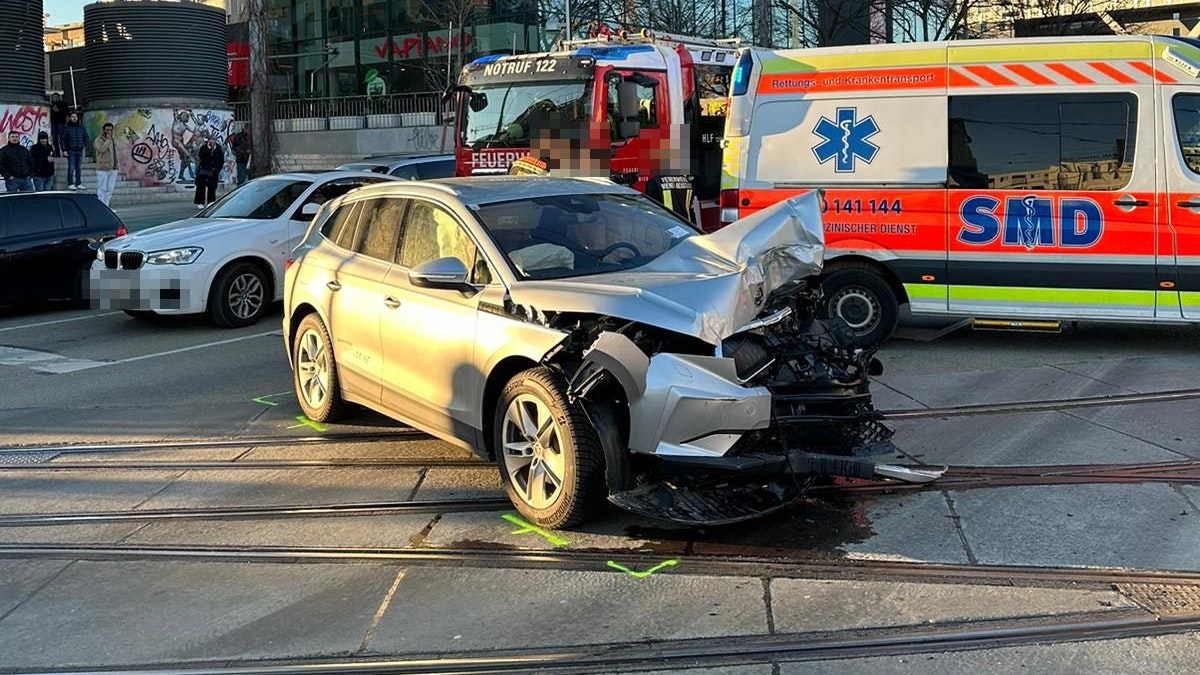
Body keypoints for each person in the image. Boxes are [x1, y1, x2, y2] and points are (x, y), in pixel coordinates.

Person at [194, 134, 224, 209]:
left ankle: (211, 202)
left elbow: (221, 160)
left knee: (212, 187)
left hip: (213, 170)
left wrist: (217, 169)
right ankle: (200, 202)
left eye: (214, 139)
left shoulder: (218, 148)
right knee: (201, 186)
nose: (212, 141)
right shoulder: (204, 147)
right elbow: (200, 156)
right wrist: (209, 149)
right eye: (211, 139)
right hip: (203, 169)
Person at [94, 122, 119, 206]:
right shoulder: (98, 140)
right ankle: (101, 207)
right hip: (102, 168)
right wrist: (108, 140)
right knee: (102, 189)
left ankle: (107, 206)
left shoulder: (113, 140)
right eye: (107, 130)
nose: (109, 132)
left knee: (110, 189)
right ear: (104, 130)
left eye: (111, 130)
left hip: (113, 168)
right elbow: (101, 149)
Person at [62, 111, 89, 190]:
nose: (74, 118)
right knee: (71, 168)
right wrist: (64, 150)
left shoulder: (81, 128)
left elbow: (86, 137)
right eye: (73, 117)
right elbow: (63, 139)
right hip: (71, 150)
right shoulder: (66, 128)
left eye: (76, 117)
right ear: (70, 118)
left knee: (78, 168)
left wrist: (84, 145)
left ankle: (78, 183)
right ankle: (70, 183)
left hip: (79, 150)